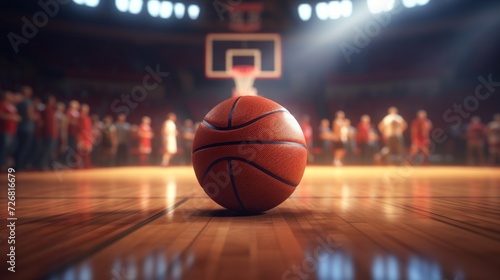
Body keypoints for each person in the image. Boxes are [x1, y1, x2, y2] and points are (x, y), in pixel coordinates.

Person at [14, 85, 36, 170]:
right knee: (25, 148)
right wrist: (35, 117)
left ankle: (17, 165)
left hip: (20, 127)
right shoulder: (27, 102)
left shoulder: (19, 102)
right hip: (27, 128)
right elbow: (30, 115)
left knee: (19, 147)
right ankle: (20, 166)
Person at [0, 90, 21, 168]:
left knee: (11, 148)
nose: (12, 97)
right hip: (5, 130)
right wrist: (12, 117)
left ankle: (4, 163)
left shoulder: (12, 106)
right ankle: (1, 163)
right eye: (10, 95)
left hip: (13, 130)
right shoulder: (2, 105)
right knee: (4, 148)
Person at [39, 95, 58, 171]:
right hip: (48, 133)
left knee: (50, 150)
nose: (54, 102)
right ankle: (43, 165)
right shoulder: (46, 109)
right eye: (52, 100)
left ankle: (47, 165)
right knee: (47, 149)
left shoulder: (51, 109)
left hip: (52, 133)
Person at [77, 104, 93, 169]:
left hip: (87, 137)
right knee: (80, 152)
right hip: (81, 136)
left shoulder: (88, 118)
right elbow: (78, 128)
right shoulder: (80, 117)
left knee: (87, 152)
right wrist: (79, 138)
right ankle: (79, 166)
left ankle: (87, 165)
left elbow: (89, 128)